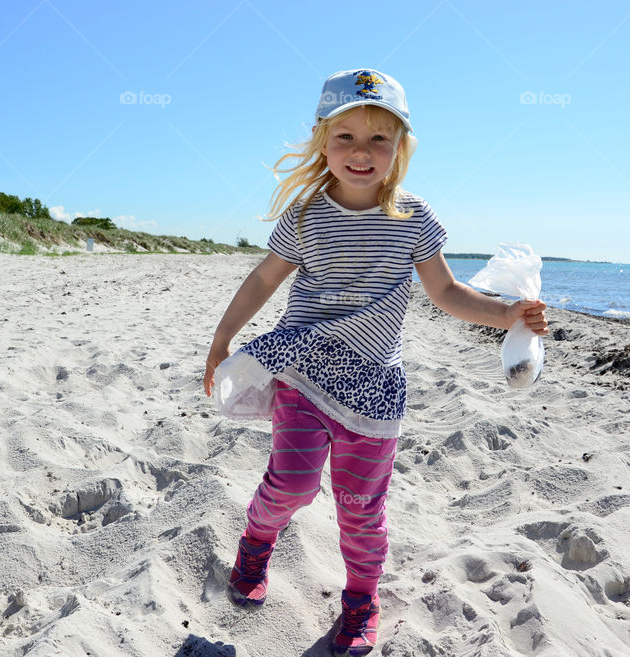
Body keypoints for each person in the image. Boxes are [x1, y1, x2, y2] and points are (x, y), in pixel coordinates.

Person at [203, 68, 548, 656]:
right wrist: (222, 340)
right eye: (346, 138)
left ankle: (361, 598)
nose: (361, 153)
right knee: (292, 484)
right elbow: (263, 278)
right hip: (304, 369)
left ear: (400, 148)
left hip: (375, 386)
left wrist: (508, 314)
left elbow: (446, 293)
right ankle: (257, 542)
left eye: (379, 139)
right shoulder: (307, 216)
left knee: (362, 509)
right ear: (322, 142)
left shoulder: (413, 217)